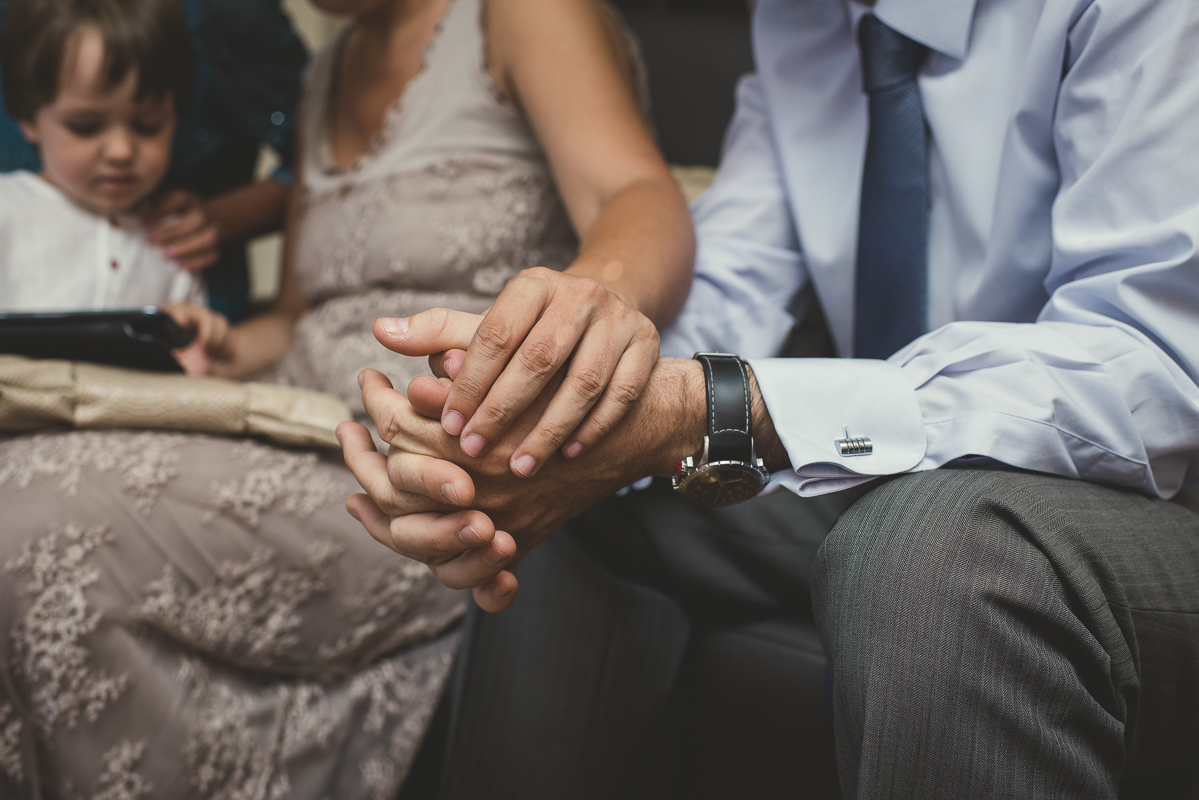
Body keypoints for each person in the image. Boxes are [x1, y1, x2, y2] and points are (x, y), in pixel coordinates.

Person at [341, 0, 1199, 796]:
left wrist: (718, 406)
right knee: (586, 474)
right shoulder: (808, 22)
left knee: (939, 549)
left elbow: (1150, 367)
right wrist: (537, 410)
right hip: (923, 469)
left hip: (1143, 504)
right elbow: (734, 273)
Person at [0, 0, 693, 798]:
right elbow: (294, 321)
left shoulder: (520, 13)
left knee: (35, 516)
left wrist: (574, 317)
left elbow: (637, 195)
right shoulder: (325, 73)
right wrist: (206, 352)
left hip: (420, 458)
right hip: (288, 417)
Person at [0, 0, 307, 320]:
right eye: (85, 127)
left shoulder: (171, 245)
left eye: (147, 126)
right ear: (27, 118)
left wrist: (206, 337)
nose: (121, 151)